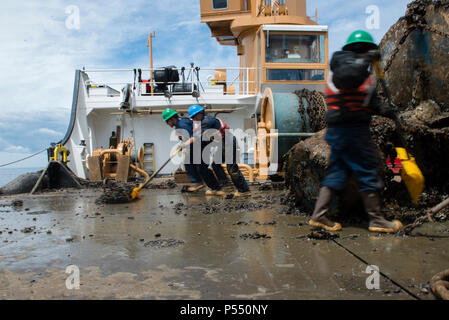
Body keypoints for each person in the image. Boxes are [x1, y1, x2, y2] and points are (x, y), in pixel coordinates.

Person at [309, 30, 403, 233]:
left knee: (337, 172)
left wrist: (388, 111)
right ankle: (377, 219)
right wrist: (367, 58)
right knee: (367, 169)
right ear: (363, 50)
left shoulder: (357, 74)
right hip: (353, 131)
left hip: (338, 132)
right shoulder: (347, 67)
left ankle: (319, 216)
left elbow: (367, 102)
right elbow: (350, 77)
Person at [188, 105, 251, 198]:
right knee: (215, 164)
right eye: (193, 117)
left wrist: (185, 144)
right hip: (223, 144)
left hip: (228, 143)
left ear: (201, 113)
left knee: (232, 168)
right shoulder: (204, 123)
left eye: (196, 116)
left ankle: (244, 190)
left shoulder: (207, 121)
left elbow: (196, 137)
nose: (195, 119)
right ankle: (226, 185)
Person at [161, 108, 205, 193]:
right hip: (195, 145)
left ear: (172, 119)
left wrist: (184, 145)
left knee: (190, 162)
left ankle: (198, 182)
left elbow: (193, 137)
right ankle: (199, 181)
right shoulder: (180, 122)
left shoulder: (182, 125)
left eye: (167, 121)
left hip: (198, 144)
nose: (167, 124)